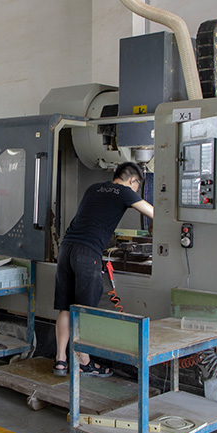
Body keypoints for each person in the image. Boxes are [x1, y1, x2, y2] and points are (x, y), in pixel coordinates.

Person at [53, 162, 154, 377]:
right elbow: (154, 213)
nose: (135, 190)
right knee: (86, 311)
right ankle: (84, 362)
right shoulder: (125, 192)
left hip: (66, 248)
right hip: (87, 253)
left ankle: (60, 361)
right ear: (133, 180)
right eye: (137, 186)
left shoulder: (93, 188)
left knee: (65, 307)